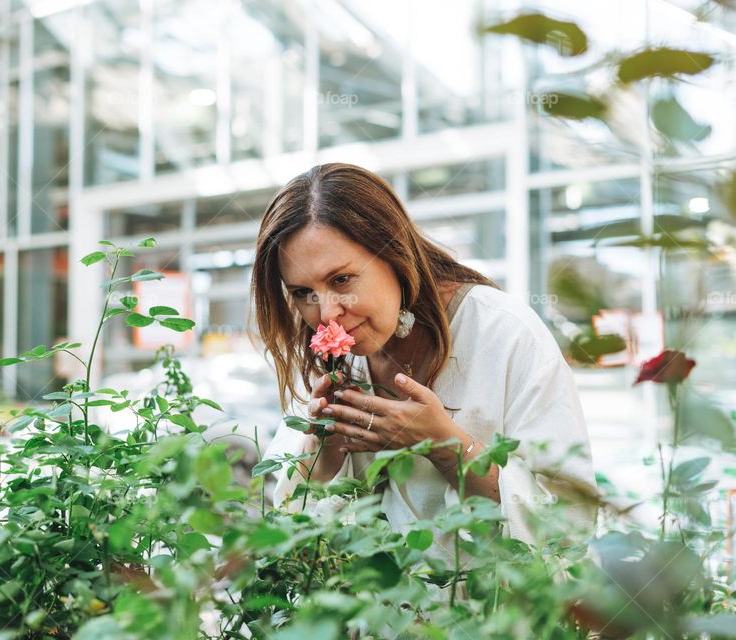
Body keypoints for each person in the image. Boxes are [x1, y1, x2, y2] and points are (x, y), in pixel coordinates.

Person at [250, 163, 596, 558]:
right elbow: (295, 534)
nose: (326, 314)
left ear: (394, 253)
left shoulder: (503, 332)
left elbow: (570, 523)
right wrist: (322, 454)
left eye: (342, 280)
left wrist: (446, 446)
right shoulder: (326, 356)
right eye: (302, 292)